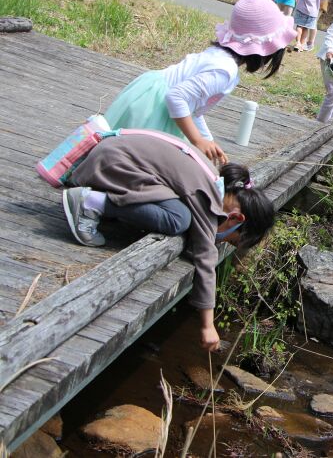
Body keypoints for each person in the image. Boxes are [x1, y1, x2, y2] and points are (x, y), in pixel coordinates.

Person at [62, 131, 275, 351]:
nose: (220, 242)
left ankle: (104, 203)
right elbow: (206, 258)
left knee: (177, 212)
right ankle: (91, 203)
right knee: (178, 219)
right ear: (236, 219)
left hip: (114, 155)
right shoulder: (208, 200)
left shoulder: (214, 183)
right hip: (109, 163)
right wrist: (208, 326)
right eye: (230, 241)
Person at [104, 0, 296, 165]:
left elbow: (193, 107)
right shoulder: (224, 71)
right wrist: (197, 140)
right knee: (134, 162)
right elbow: (176, 97)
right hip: (155, 107)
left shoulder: (219, 56)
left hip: (150, 93)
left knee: (119, 157)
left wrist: (207, 139)